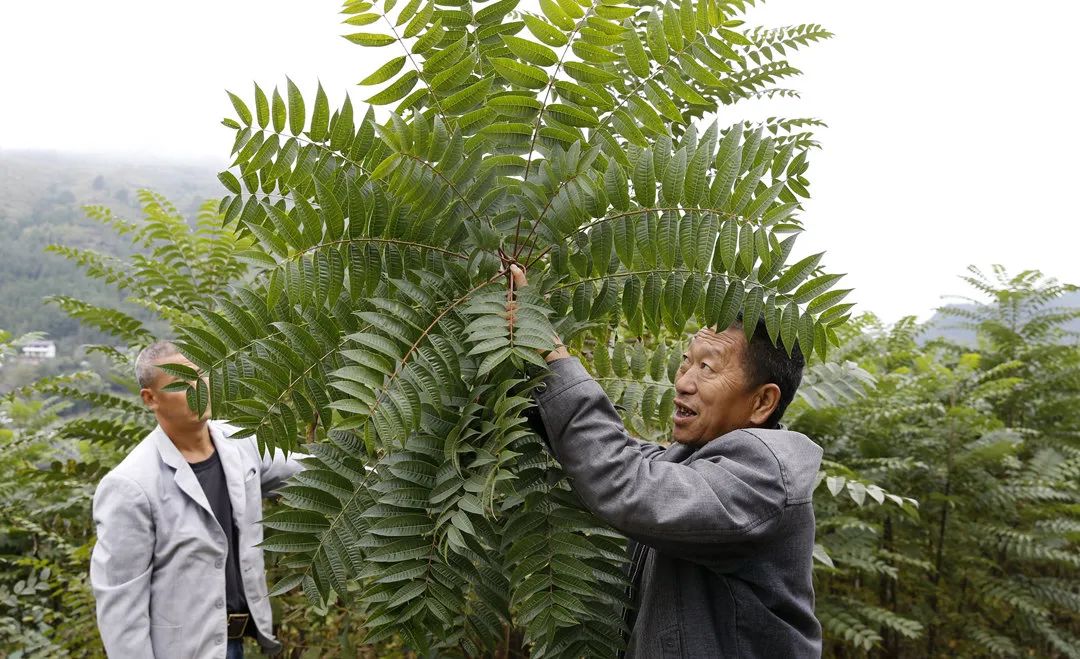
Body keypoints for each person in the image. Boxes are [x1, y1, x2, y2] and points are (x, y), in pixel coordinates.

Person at [512, 266, 823, 658]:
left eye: (707, 368)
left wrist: (549, 349)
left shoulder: (764, 477)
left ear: (762, 402)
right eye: (685, 362)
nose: (683, 382)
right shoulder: (696, 462)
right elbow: (625, 455)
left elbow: (629, 482)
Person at [90, 340, 305, 658]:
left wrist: (379, 476)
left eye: (201, 376)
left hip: (235, 644)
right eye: (180, 383)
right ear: (151, 399)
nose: (198, 389)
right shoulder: (131, 485)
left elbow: (307, 472)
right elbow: (121, 606)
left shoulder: (239, 442)